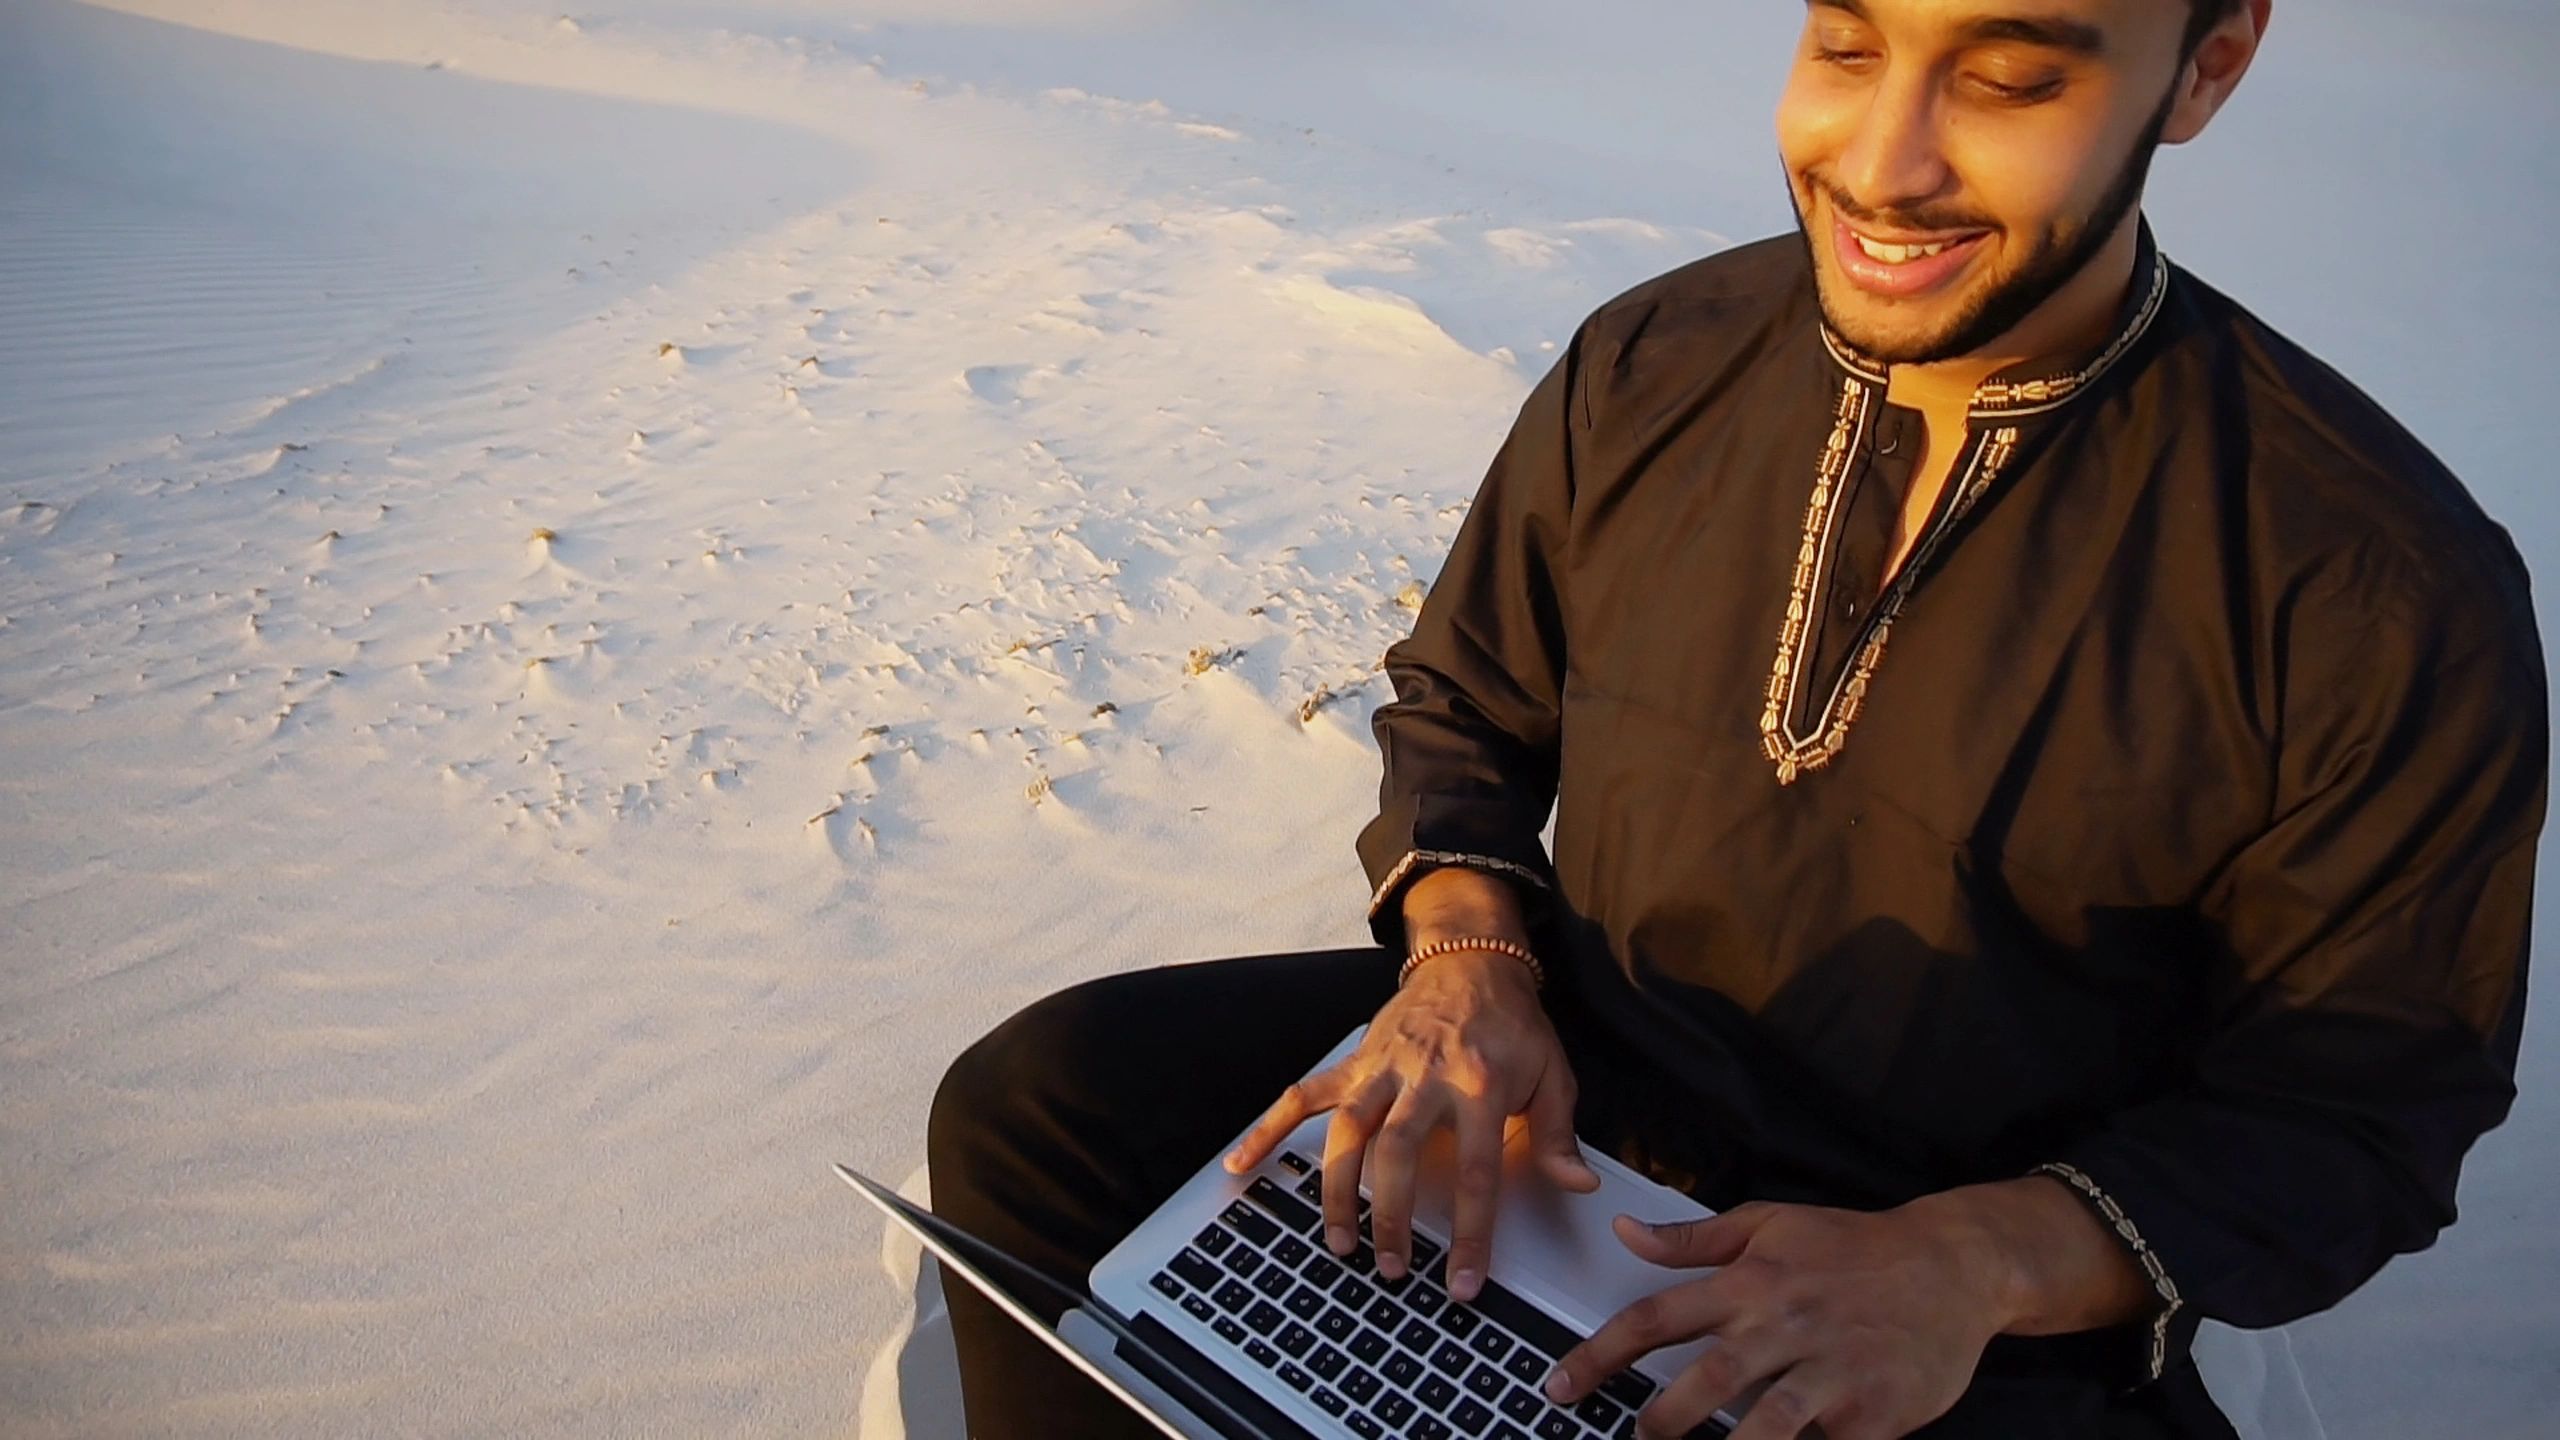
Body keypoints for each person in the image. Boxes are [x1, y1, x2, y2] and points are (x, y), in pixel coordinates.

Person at [926, 2, 2546, 1436]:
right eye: (1845, 44)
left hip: (1953, 1278)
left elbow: (2362, 1114)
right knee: (1045, 1106)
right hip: (1566, 1103)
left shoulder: (2376, 581)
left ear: (2209, 65)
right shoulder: (1651, 360)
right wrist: (1466, 958)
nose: (1883, 161)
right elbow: (1464, 704)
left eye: (2003, 78)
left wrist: (1972, 1261)